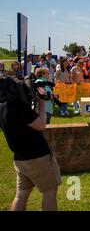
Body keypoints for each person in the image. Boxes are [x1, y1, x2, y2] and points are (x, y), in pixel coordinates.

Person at [0, 76, 61, 210]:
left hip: (20, 158)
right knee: (50, 192)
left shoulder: (2, 107)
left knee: (21, 195)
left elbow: (26, 121)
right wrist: (42, 103)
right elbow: (41, 124)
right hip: (37, 156)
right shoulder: (18, 106)